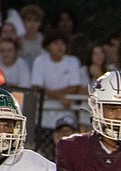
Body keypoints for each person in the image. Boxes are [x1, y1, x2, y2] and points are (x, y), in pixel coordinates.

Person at [30, 30, 82, 159]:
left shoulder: (73, 61)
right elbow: (37, 87)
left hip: (66, 117)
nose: (60, 47)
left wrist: (52, 93)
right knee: (44, 154)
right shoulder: (40, 61)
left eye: (62, 44)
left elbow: (75, 87)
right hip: (44, 118)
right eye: (56, 43)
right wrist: (60, 97)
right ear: (48, 46)